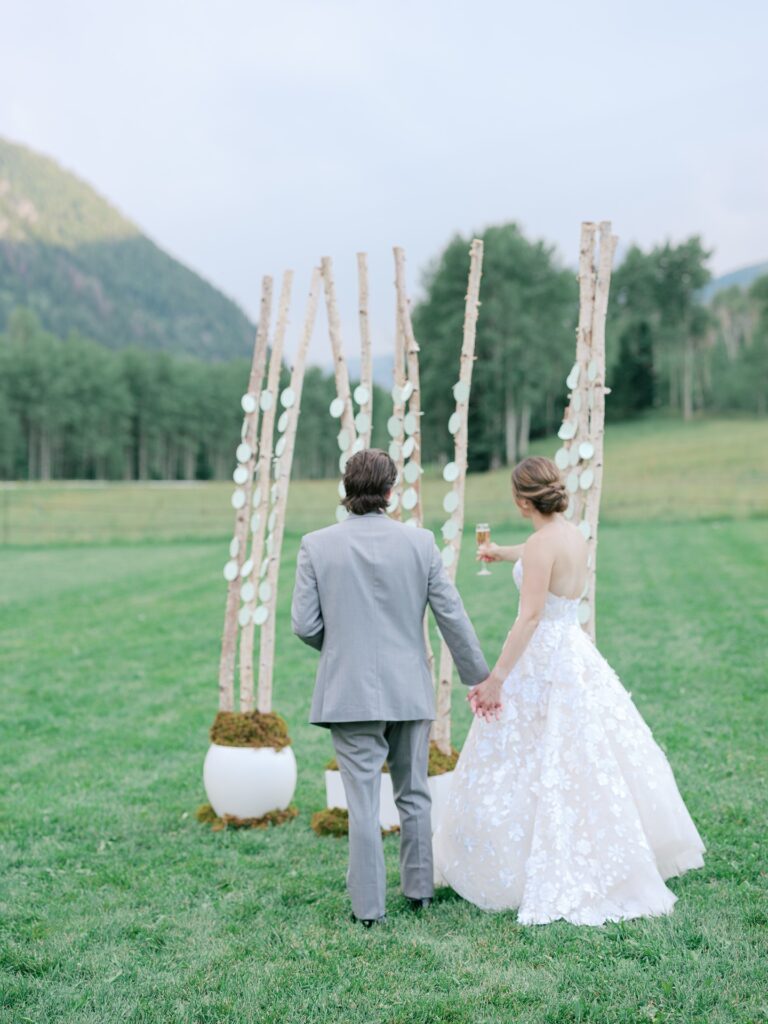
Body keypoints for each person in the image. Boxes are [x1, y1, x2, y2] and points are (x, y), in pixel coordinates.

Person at [432, 456, 705, 926]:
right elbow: (538, 553)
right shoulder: (571, 534)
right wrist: (501, 552)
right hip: (574, 650)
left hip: (543, 656)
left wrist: (497, 678)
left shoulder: (542, 545)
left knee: (528, 751)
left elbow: (530, 617)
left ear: (522, 501)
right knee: (579, 752)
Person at [291, 448, 489, 927]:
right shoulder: (420, 543)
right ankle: (420, 892)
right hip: (408, 687)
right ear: (389, 491)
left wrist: (341, 649)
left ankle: (368, 910)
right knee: (414, 793)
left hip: (348, 692)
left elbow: (304, 625)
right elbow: (451, 615)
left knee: (361, 804)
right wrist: (479, 676)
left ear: (346, 489)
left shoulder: (316, 545)